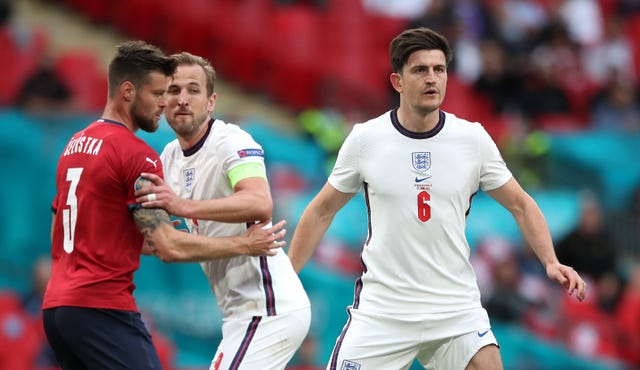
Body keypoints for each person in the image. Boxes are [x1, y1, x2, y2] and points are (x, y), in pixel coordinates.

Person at [287, 27, 587, 370]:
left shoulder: (472, 139)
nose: (432, 78)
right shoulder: (365, 139)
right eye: (420, 70)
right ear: (397, 81)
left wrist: (550, 261)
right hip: (385, 308)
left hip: (454, 306)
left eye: (439, 69)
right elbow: (322, 209)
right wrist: (289, 274)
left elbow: (521, 204)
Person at [43, 41, 287, 370]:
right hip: (103, 306)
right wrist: (243, 244)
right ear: (128, 92)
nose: (164, 104)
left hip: (58, 309)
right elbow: (167, 246)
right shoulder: (136, 154)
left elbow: (62, 228)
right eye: (158, 93)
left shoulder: (73, 145)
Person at [134, 52, 310, 370]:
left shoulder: (231, 141)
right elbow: (160, 242)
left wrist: (181, 205)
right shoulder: (169, 158)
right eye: (173, 91)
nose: (182, 100)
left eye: (193, 90)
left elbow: (260, 202)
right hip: (238, 313)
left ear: (211, 101)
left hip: (269, 307)